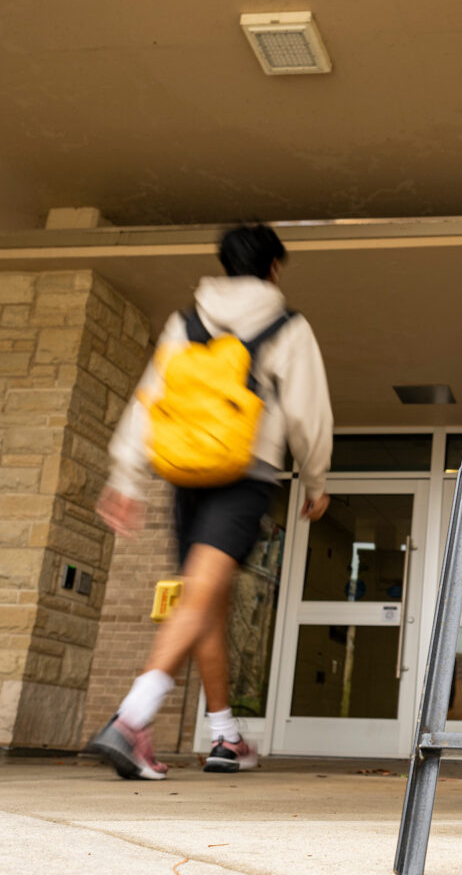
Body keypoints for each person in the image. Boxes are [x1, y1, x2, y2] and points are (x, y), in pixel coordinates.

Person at [89, 223, 332, 780]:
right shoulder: (287, 326)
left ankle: (226, 737)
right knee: (203, 596)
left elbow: (149, 397)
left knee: (207, 604)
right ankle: (132, 719)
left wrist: (126, 475)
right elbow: (308, 412)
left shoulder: (185, 320)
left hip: (184, 472)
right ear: (274, 267)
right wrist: (315, 481)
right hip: (245, 472)